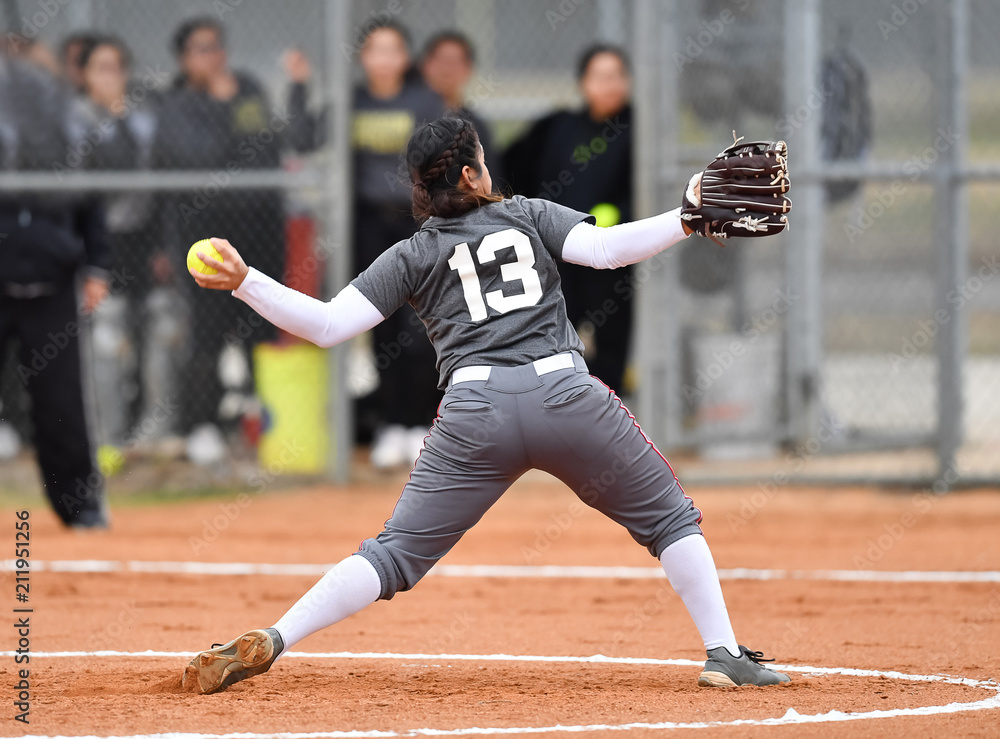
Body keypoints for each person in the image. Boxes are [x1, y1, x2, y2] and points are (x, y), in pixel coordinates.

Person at [181, 117, 790, 693]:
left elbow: (328, 325)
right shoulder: (525, 215)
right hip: (566, 397)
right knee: (669, 520)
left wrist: (246, 281)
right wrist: (685, 218)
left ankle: (277, 635)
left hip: (476, 415)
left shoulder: (412, 253)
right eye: (480, 162)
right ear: (470, 177)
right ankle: (724, 656)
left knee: (393, 553)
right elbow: (607, 251)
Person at [153, 16, 322, 464]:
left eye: (217, 46)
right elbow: (197, 159)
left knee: (259, 326)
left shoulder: (247, 87)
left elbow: (283, 143)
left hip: (260, 225)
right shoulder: (176, 105)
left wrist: (299, 87)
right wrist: (222, 106)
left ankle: (258, 421)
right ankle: (201, 426)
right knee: (207, 332)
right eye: (202, 49)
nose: (214, 56)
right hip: (204, 232)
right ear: (184, 59)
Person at [0, 49, 110, 528]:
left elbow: (93, 205)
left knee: (61, 400)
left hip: (53, 281)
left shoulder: (66, 130)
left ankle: (80, 506)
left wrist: (97, 267)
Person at [504, 45, 634, 393]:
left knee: (612, 336)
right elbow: (515, 167)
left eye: (617, 76)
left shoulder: (639, 130)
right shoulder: (558, 127)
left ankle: (610, 416)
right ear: (583, 83)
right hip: (558, 254)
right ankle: (558, 416)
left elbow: (645, 189)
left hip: (614, 257)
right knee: (557, 337)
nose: (610, 85)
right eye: (600, 76)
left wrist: (619, 212)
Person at [351, 20, 446, 469]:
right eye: (375, 49)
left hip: (415, 222)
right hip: (369, 225)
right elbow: (307, 138)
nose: (385, 59)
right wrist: (298, 87)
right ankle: (390, 423)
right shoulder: (350, 102)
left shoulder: (423, 101)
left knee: (421, 328)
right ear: (362, 57)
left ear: (405, 57)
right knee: (381, 325)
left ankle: (422, 424)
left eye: (393, 50)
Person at [78, 35, 164, 444]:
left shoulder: (144, 117)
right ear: (85, 75)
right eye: (101, 68)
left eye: (117, 67)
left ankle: (155, 430)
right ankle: (107, 437)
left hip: (142, 238)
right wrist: (113, 116)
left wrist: (165, 244)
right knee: (107, 337)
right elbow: (110, 169)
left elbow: (158, 182)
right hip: (96, 243)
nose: (112, 77)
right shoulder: (74, 117)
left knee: (159, 326)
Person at [419, 31, 499, 178]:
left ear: (469, 69)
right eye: (441, 60)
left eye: (455, 62)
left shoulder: (476, 126)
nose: (447, 69)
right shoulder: (411, 116)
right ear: (425, 64)